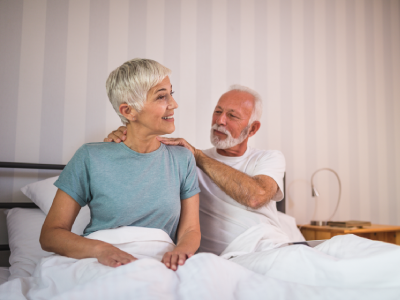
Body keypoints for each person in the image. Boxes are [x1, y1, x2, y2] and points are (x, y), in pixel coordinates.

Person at [40, 58, 201, 270]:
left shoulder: (183, 158)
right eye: (162, 96)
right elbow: (50, 235)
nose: (174, 104)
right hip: (98, 260)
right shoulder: (89, 156)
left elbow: (190, 230)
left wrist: (181, 252)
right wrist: (101, 250)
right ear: (128, 111)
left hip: (160, 262)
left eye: (171, 93)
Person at [106, 84, 296, 255]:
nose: (220, 121)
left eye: (232, 116)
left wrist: (198, 157)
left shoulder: (268, 158)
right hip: (224, 262)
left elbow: (257, 196)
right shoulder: (187, 161)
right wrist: (124, 139)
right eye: (218, 111)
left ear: (252, 129)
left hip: (271, 248)